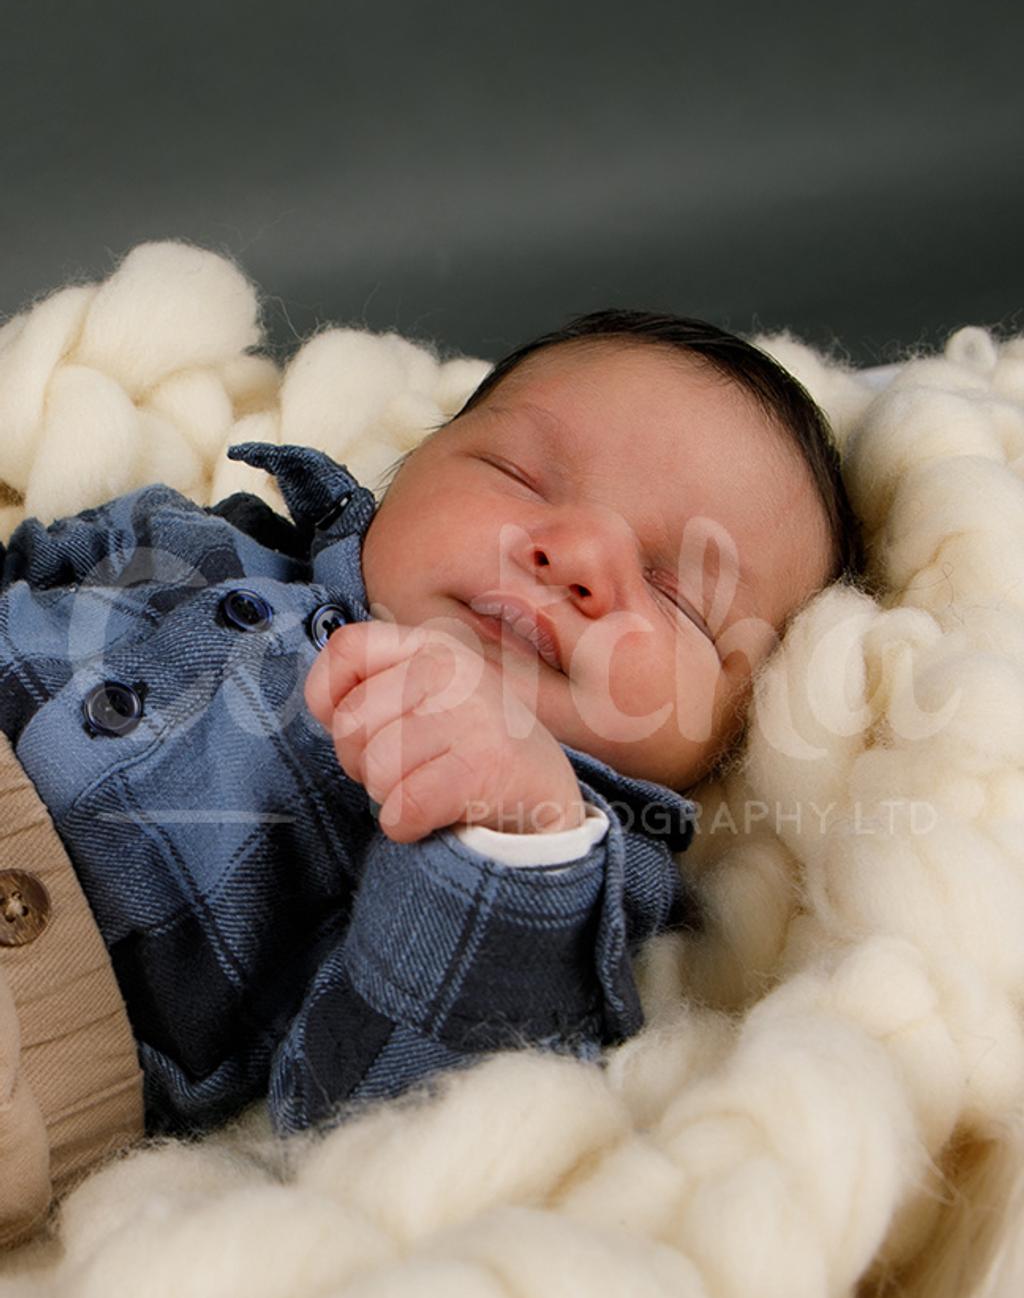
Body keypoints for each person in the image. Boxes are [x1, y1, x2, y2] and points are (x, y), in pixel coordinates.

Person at [0, 309, 862, 1245]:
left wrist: (510, 836)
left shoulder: (564, 879)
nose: (576, 555)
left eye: (677, 593)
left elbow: (377, 1119)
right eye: (518, 477)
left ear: (732, 738)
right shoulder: (210, 541)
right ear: (405, 475)